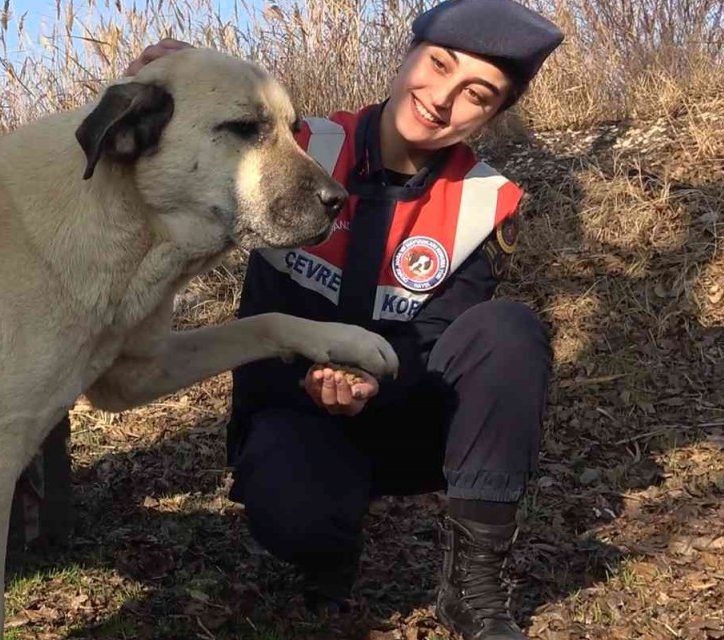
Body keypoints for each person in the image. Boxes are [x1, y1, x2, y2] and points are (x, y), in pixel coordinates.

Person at [124, 1, 563, 638]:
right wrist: (171, 80)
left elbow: (447, 341)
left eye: (476, 95)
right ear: (408, 53)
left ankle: (475, 585)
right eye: (437, 65)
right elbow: (177, 159)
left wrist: (370, 382)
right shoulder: (297, 147)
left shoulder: (484, 202)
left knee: (509, 331)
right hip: (289, 406)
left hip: (406, 412)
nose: (440, 99)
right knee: (297, 514)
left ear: (494, 115)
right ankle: (326, 550)